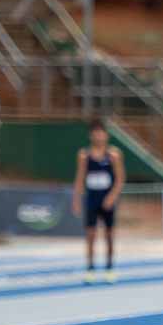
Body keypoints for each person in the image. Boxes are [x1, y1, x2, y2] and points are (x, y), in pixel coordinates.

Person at [71, 119, 124, 282]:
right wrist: (76, 200)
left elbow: (120, 179)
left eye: (101, 133)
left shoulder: (113, 154)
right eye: (95, 134)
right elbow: (80, 178)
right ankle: (90, 269)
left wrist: (112, 197)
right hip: (92, 198)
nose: (99, 137)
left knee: (109, 235)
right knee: (90, 235)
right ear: (91, 135)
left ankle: (109, 268)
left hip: (107, 198)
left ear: (106, 135)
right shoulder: (84, 155)